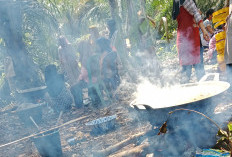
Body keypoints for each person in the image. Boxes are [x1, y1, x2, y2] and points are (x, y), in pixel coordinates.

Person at [172, 0, 210, 83]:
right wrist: (204, 30)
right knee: (197, 72)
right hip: (189, 40)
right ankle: (205, 94)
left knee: (187, 72)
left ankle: (186, 92)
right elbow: (196, 14)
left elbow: (192, 13)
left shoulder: (177, 2)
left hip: (185, 40)